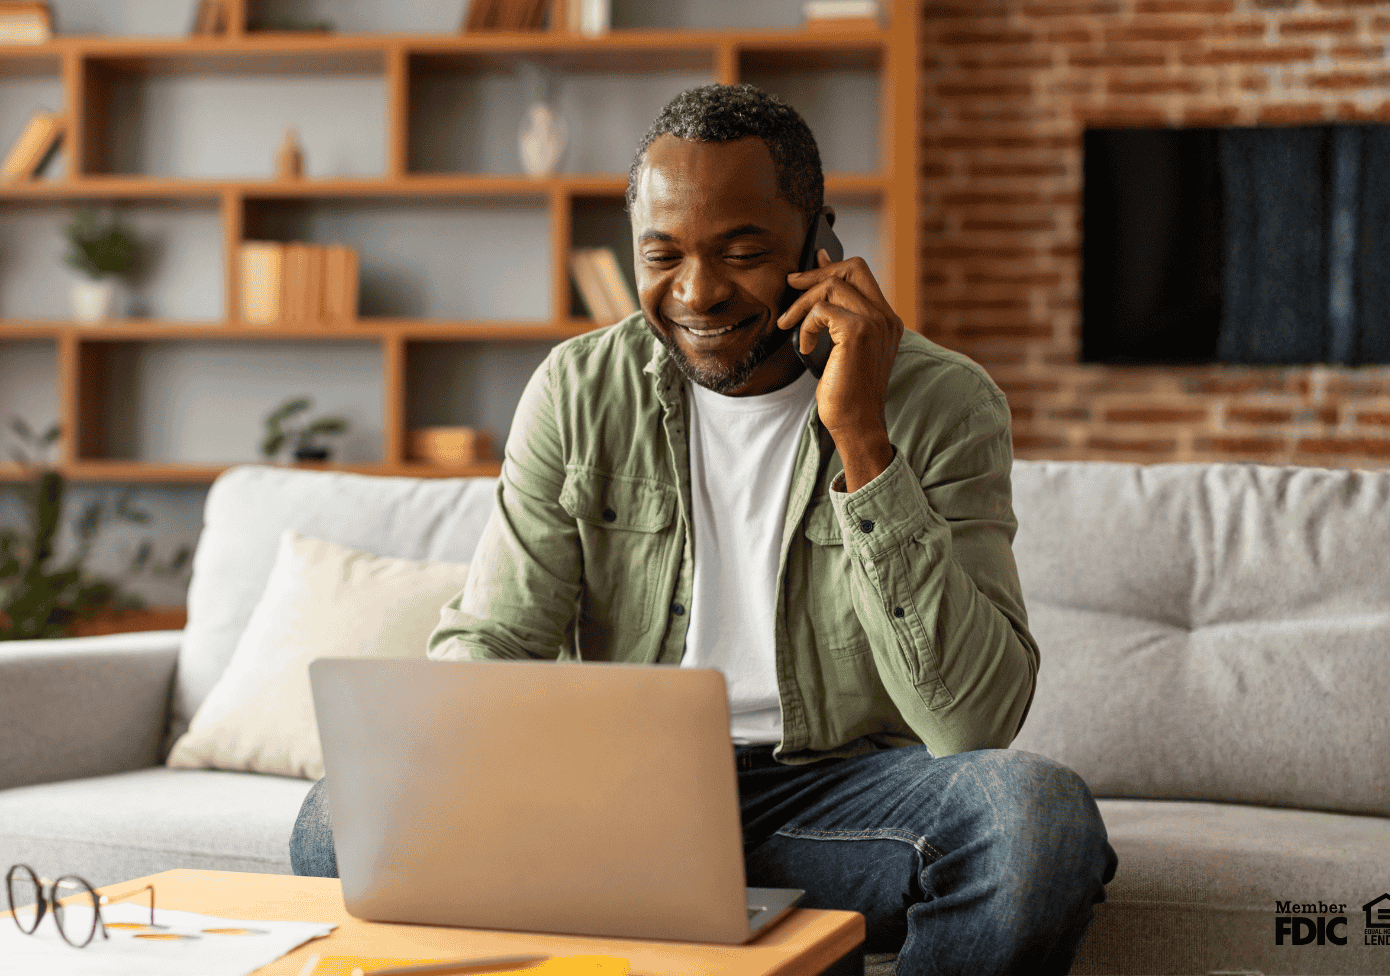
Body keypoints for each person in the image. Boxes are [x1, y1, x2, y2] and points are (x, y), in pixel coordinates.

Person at [292, 83, 1116, 975]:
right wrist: (448, 763)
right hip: (612, 800)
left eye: (743, 252)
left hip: (835, 805)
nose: (696, 292)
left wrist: (862, 437)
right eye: (662, 255)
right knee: (342, 815)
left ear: (822, 244)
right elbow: (495, 639)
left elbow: (971, 724)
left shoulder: (945, 402)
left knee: (1032, 820)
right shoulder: (578, 389)